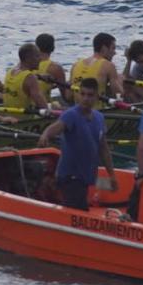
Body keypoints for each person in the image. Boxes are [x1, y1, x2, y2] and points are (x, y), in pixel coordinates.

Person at [37, 77, 116, 210]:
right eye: (82, 94)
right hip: (70, 177)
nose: (85, 98)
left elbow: (103, 149)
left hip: (87, 176)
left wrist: (112, 175)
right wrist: (45, 134)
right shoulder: (70, 115)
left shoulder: (99, 118)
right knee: (79, 210)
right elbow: (56, 126)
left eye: (90, 95)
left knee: (88, 200)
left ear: (97, 96)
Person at [69, 32, 124, 108]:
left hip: (78, 111)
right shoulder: (108, 65)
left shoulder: (75, 65)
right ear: (104, 48)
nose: (115, 52)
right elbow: (119, 94)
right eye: (113, 48)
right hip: (98, 112)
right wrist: (120, 80)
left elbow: (68, 97)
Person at [1, 43, 51, 113]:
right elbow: (43, 107)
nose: (40, 59)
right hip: (24, 119)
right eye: (37, 56)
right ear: (28, 58)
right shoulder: (30, 78)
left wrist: (39, 76)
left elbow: (23, 79)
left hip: (10, 115)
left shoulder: (10, 71)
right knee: (55, 105)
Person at [35, 33, 71, 105]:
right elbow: (67, 98)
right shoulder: (55, 68)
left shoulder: (27, 63)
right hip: (42, 107)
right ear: (53, 48)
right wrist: (70, 82)